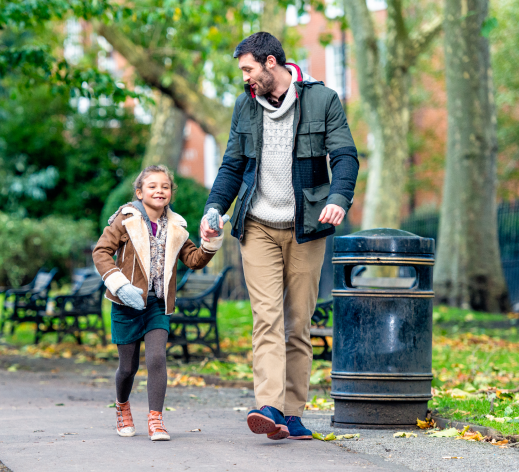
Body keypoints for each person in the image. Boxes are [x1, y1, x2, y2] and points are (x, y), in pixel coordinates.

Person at [200, 32, 359, 441]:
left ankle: (291, 413)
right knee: (266, 317)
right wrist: (214, 208)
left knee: (297, 323)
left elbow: (344, 156)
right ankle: (268, 405)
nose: (244, 78)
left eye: (248, 69)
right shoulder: (245, 106)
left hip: (307, 228)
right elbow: (232, 165)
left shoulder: (323, 100)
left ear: (271, 63)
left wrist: (339, 198)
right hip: (257, 225)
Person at [93, 165, 224, 441]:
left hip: (157, 304)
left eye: (165, 186)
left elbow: (194, 260)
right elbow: (101, 251)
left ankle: (156, 419)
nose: (159, 190)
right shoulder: (124, 219)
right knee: (127, 368)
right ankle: (122, 407)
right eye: (152, 186)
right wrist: (118, 283)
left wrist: (210, 241)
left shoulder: (177, 226)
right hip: (126, 304)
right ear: (140, 193)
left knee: (156, 358)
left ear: (170, 193)